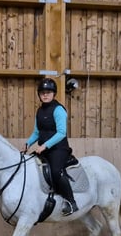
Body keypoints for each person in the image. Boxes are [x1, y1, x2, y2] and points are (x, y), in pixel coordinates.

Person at [23, 78, 79, 216]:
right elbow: (37, 132)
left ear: (54, 94)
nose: (45, 95)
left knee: (55, 171)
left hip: (58, 149)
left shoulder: (58, 110)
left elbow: (61, 133)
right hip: (44, 149)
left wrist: (44, 146)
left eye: (48, 92)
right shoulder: (40, 111)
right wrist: (28, 143)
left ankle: (71, 202)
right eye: (42, 93)